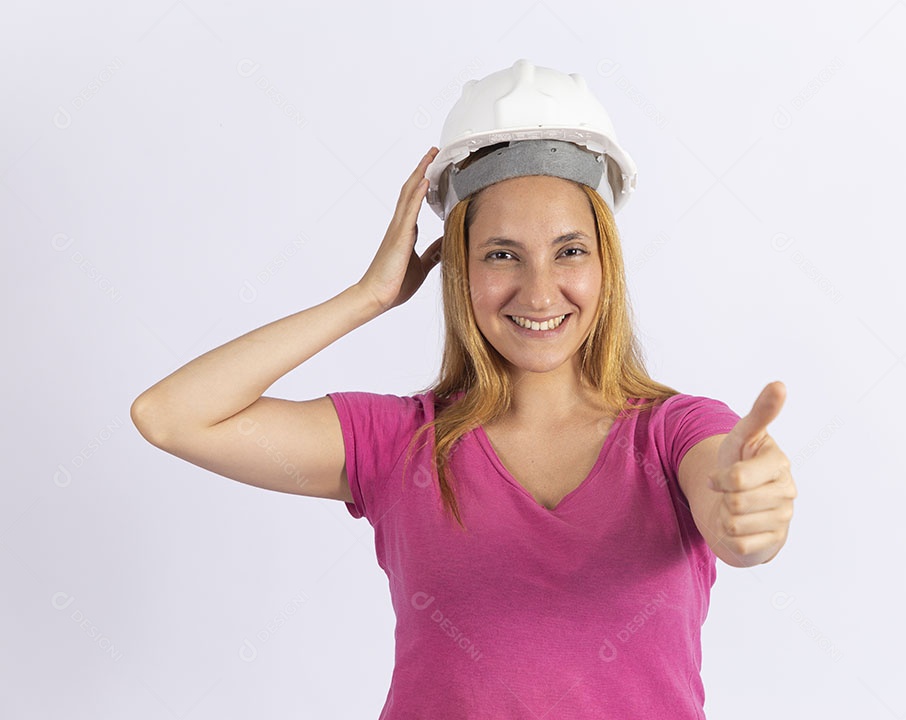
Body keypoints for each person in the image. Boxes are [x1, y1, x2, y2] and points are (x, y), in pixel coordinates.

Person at [131, 59, 797, 719]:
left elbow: (737, 522)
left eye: (569, 250)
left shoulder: (675, 432)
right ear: (459, 268)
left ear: (605, 264)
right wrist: (367, 298)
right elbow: (171, 417)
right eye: (502, 254)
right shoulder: (396, 446)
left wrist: (750, 512)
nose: (539, 291)